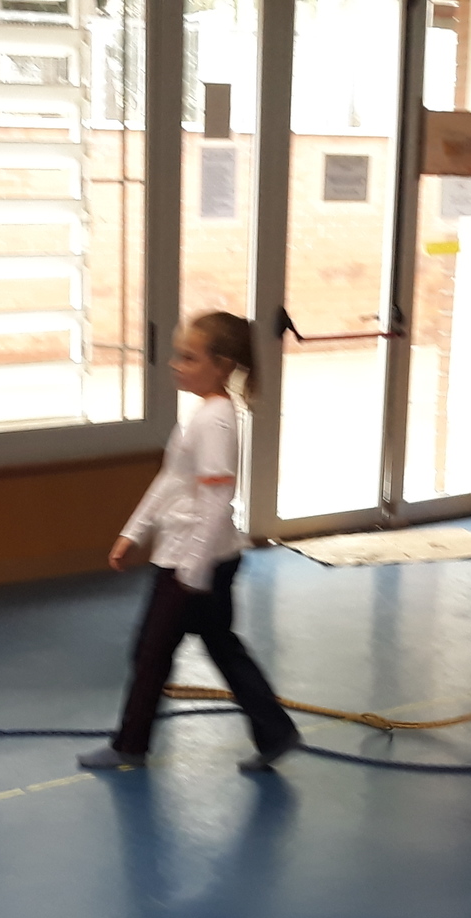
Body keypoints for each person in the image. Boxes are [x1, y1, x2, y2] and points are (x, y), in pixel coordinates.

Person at [78, 312, 300, 774]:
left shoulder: (215, 421)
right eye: (178, 355)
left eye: (189, 358)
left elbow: (217, 499)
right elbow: (171, 480)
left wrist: (192, 571)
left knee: (150, 653)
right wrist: (133, 532)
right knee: (220, 646)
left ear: (221, 366)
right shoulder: (203, 415)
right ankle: (275, 731)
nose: (176, 364)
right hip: (205, 559)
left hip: (193, 562)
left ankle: (130, 746)